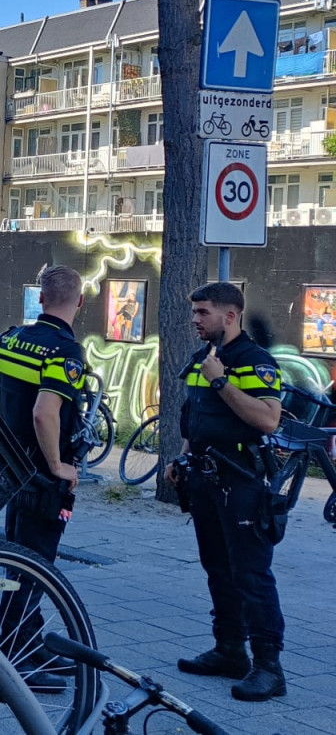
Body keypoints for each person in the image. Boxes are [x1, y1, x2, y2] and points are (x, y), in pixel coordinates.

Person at [167, 282, 286, 702]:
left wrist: (221, 383)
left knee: (250, 574)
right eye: (194, 312)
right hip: (204, 478)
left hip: (243, 484)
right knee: (217, 568)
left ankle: (269, 667)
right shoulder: (204, 357)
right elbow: (194, 415)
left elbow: (269, 420)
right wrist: (181, 459)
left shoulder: (254, 361)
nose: (194, 320)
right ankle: (230, 649)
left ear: (230, 315)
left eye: (203, 313)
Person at [0, 264, 86, 687]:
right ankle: (15, 656)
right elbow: (45, 413)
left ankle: (26, 637)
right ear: (80, 302)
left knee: (17, 557)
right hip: (42, 477)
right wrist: (57, 465)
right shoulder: (65, 352)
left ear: (40, 298)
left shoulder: (11, 339)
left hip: (13, 467)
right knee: (34, 563)